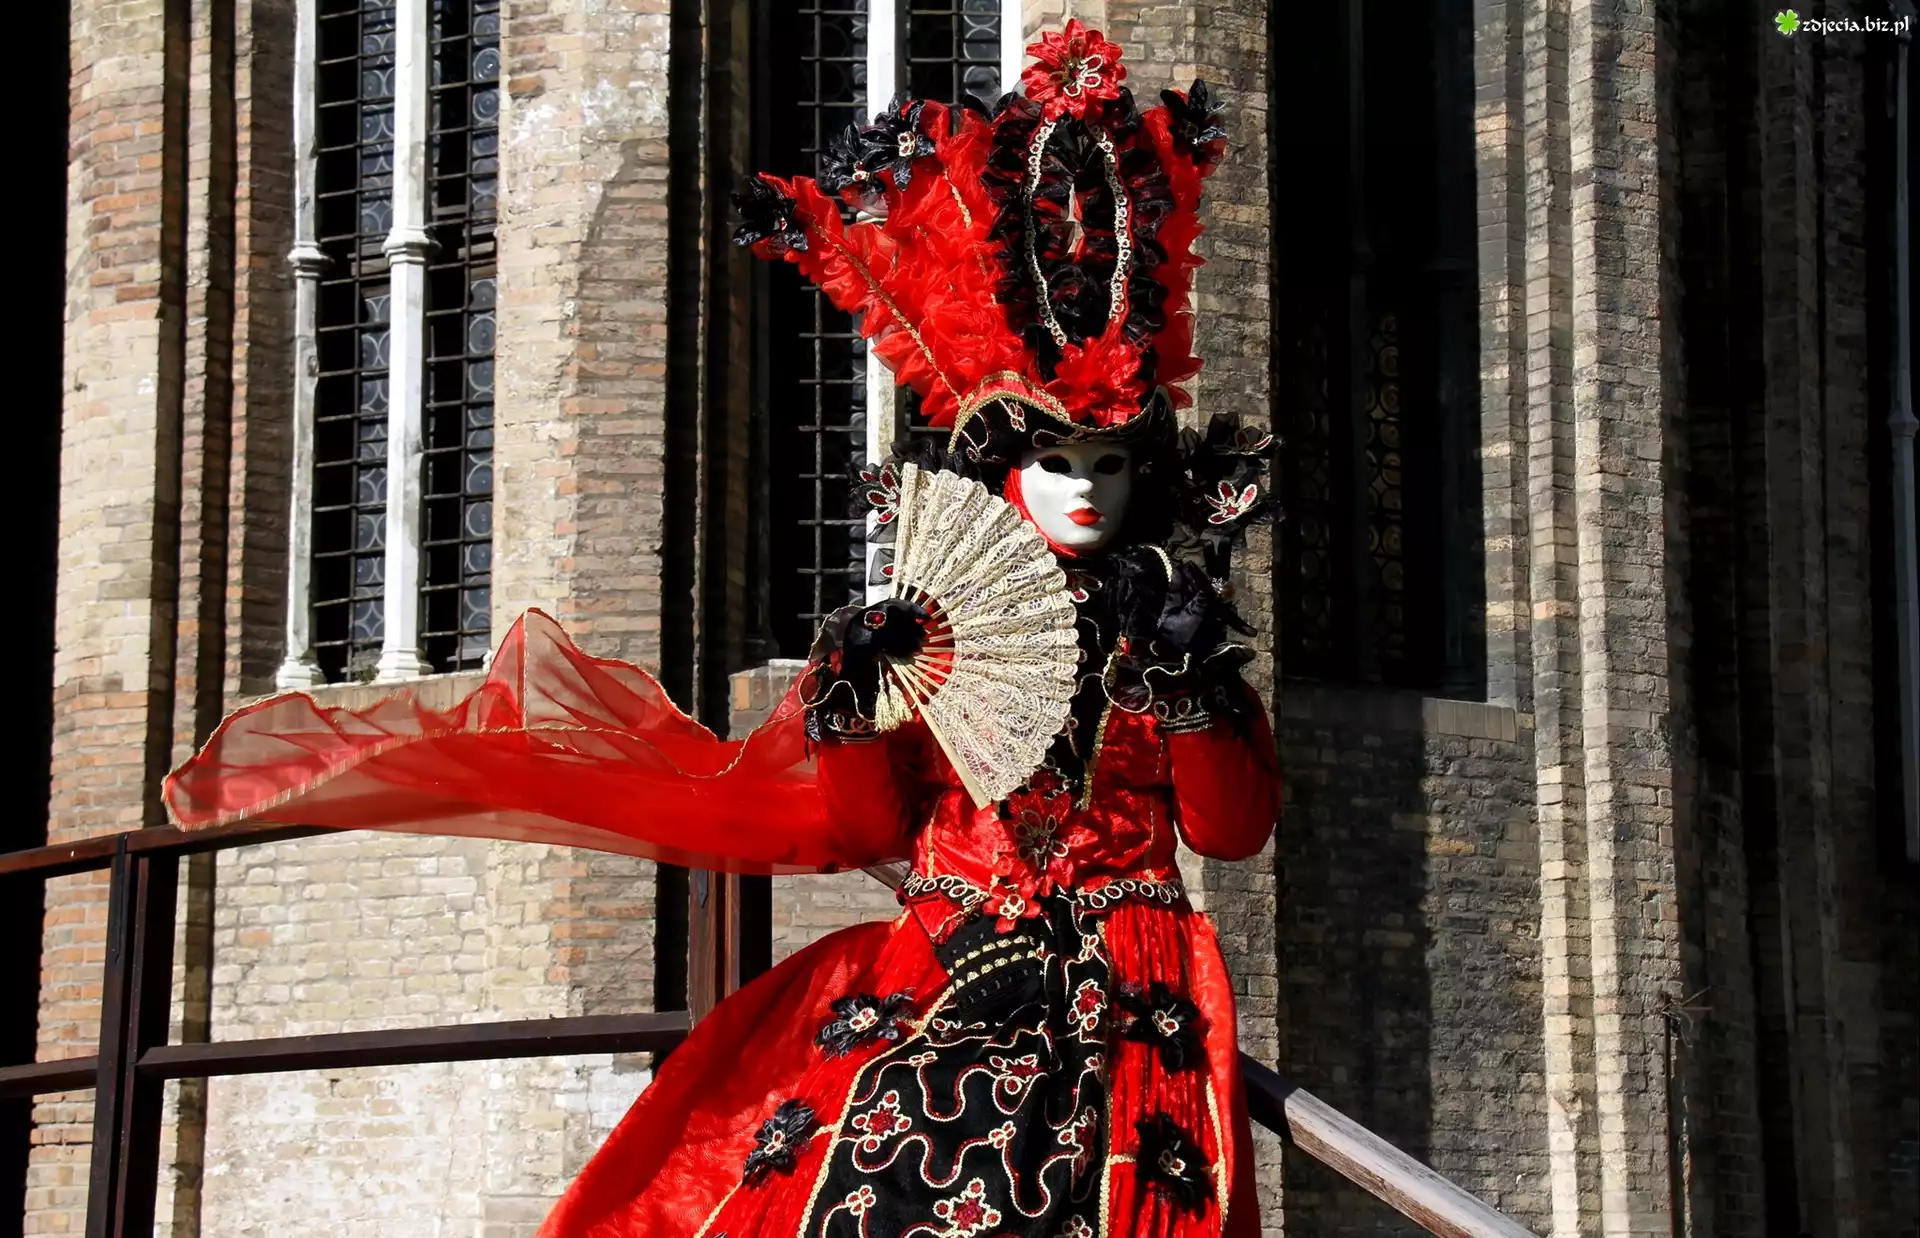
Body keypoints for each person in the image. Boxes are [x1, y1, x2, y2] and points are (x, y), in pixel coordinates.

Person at [166, 22, 1281, 1236]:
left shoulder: (1174, 624)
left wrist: (1194, 690)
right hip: (950, 953)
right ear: (1001, 474)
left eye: (1108, 463)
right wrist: (851, 714)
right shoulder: (939, 627)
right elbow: (873, 827)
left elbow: (1228, 832)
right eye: (1057, 462)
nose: (1085, 490)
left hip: (1134, 968)